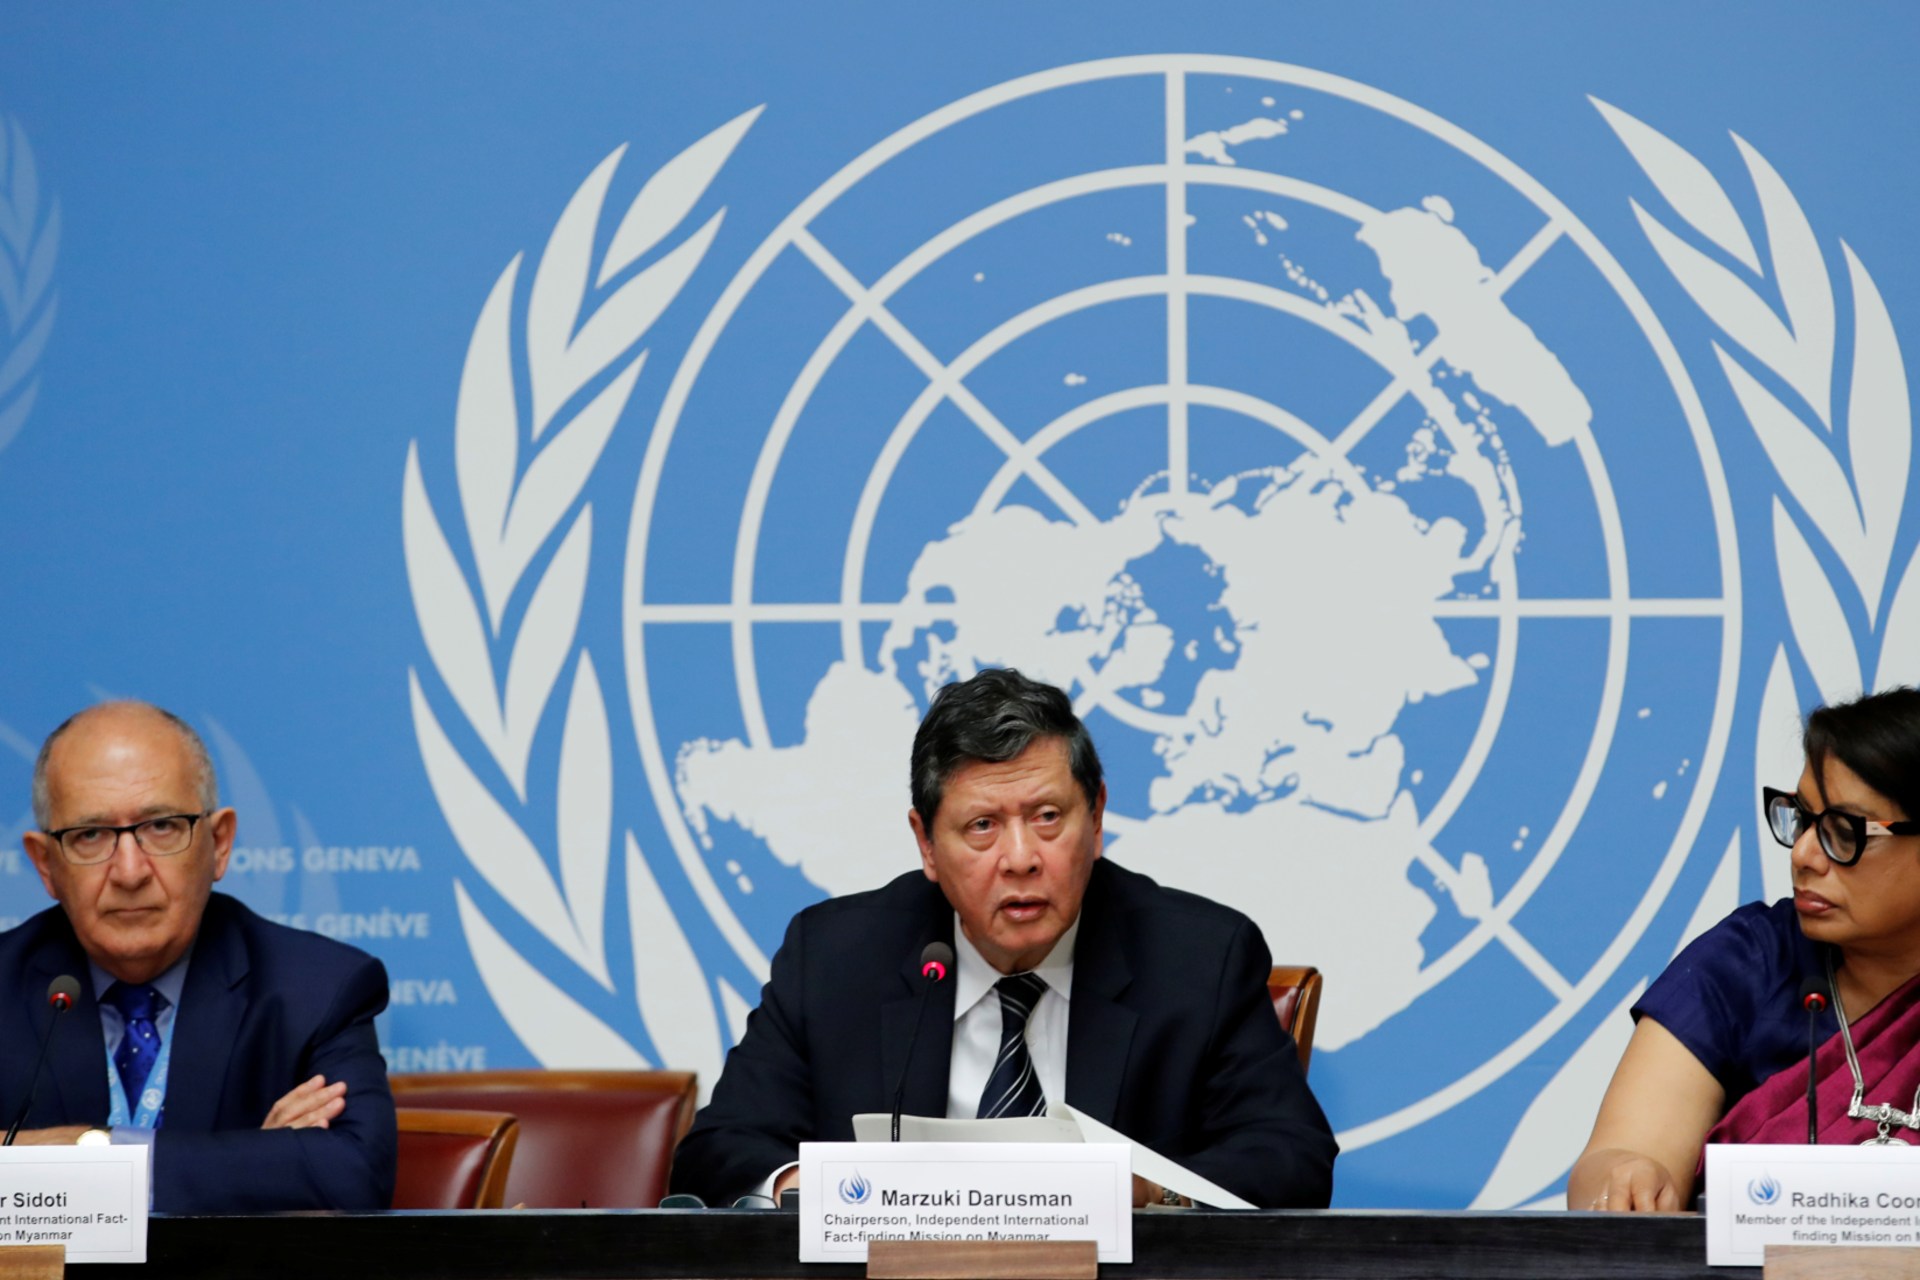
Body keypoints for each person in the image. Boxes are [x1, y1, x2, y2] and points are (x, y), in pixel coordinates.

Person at [669, 667, 1336, 1209]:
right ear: (926, 844)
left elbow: (1291, 1156)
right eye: (982, 826)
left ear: (1097, 818)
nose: (1020, 858)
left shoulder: (1198, 958)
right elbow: (720, 1151)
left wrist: (1150, 1193)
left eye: (1048, 817)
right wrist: (810, 1194)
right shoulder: (836, 958)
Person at [0, 701, 397, 1212]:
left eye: (162, 827)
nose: (129, 872)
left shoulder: (318, 990)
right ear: (46, 865)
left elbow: (352, 1174)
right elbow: (301, 1170)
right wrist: (260, 1160)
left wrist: (80, 1152)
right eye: (90, 835)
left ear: (219, 843)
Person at [1570, 686, 1920, 1212]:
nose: (1803, 854)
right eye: (1801, 819)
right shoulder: (1750, 962)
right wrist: (1627, 1175)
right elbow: (1622, 1152)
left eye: (1843, 832)